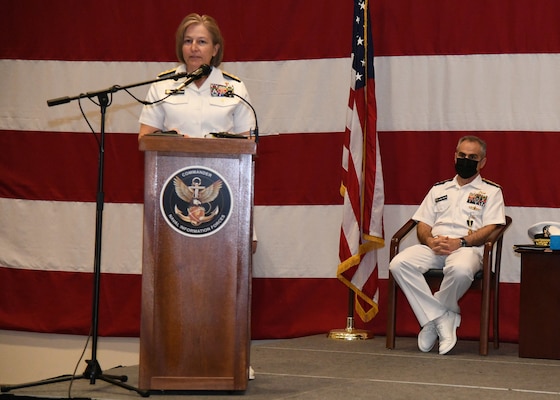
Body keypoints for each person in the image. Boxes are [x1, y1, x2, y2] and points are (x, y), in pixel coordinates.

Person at [388, 136, 505, 355]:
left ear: (482, 162)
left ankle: (432, 319)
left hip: (467, 249)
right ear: (455, 156)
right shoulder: (438, 189)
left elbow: (492, 228)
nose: (465, 160)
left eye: (472, 157)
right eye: (462, 155)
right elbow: (422, 223)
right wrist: (431, 240)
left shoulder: (491, 191)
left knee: (460, 270)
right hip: (435, 246)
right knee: (399, 264)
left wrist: (461, 241)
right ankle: (441, 317)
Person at [138, 13, 254, 139]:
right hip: (174, 158)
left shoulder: (234, 88)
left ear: (215, 49)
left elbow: (248, 141)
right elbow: (145, 137)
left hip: (221, 159)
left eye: (202, 42)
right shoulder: (162, 85)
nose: (194, 48)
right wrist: (173, 141)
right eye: (188, 41)